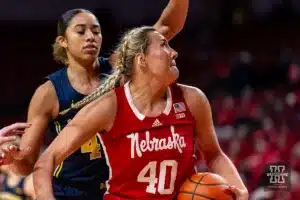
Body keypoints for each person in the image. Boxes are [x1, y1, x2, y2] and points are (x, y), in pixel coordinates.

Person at [33, 26, 249, 200]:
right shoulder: (110, 106)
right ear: (141, 60)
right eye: (164, 45)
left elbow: (214, 154)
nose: (174, 52)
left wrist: (240, 190)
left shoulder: (192, 100)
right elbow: (46, 161)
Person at [2, 1, 189, 200]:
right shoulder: (48, 93)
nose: (91, 37)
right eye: (81, 31)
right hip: (70, 193)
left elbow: (166, 27)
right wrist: (12, 159)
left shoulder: (118, 68)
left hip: (119, 190)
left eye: (96, 31)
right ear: (63, 41)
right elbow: (26, 164)